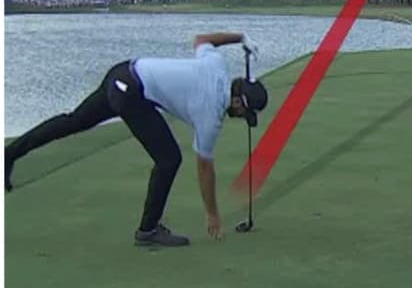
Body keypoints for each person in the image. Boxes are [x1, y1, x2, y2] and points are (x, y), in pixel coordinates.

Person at [5, 32, 268, 247]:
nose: (241, 117)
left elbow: (201, 40)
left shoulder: (217, 65)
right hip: (132, 94)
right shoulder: (211, 114)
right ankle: (148, 230)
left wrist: (239, 37)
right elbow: (204, 168)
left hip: (122, 72)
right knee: (169, 159)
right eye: (244, 113)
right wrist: (213, 214)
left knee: (73, 121)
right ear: (236, 101)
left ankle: (9, 154)